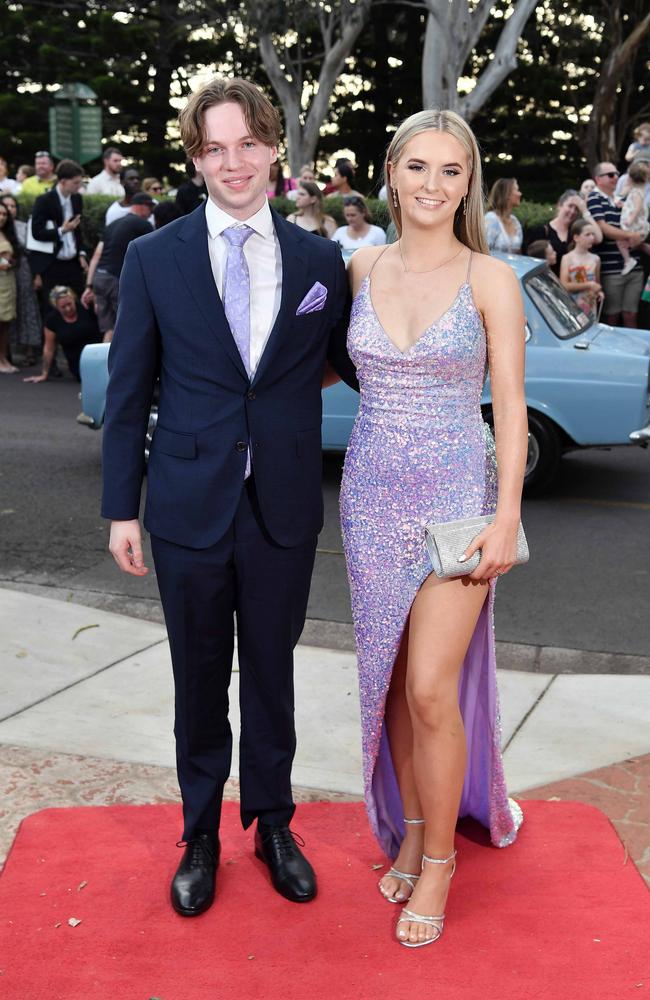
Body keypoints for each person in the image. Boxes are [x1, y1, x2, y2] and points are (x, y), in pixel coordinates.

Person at [101, 76, 357, 919]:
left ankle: (273, 822)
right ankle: (201, 832)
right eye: (215, 147)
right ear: (197, 158)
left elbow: (361, 364)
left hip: (282, 503)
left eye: (247, 142)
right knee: (198, 675)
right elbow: (129, 391)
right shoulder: (153, 255)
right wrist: (121, 509)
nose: (234, 162)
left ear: (274, 146)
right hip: (184, 505)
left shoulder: (321, 261)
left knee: (275, 676)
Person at [338, 109, 526, 948]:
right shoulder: (359, 266)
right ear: (390, 171)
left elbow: (512, 408)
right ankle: (413, 826)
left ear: (468, 183)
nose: (431, 185)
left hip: (458, 497)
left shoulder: (492, 277)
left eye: (451, 171)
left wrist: (507, 513)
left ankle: (442, 860)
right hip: (370, 494)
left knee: (428, 688)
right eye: (417, 166)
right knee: (391, 693)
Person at [82, 193, 155, 340]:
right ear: (141, 207)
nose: (151, 212)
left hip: (99, 278)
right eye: (150, 207)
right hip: (117, 279)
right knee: (126, 327)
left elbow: (97, 255)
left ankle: (105, 361)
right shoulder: (143, 225)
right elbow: (153, 255)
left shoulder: (112, 225)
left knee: (109, 329)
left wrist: (89, 286)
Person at [587, 161, 645, 327]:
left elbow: (636, 222)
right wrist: (632, 235)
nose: (616, 178)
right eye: (611, 175)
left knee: (631, 315)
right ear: (598, 179)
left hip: (635, 268)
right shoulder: (594, 197)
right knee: (611, 317)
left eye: (617, 174)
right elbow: (603, 228)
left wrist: (641, 242)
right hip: (611, 270)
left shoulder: (622, 199)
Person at [28, 158, 87, 299]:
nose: (79, 186)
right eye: (75, 183)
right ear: (62, 181)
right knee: (54, 308)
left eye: (80, 182)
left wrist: (82, 253)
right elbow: (36, 233)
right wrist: (62, 230)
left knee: (80, 303)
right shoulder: (44, 200)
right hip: (53, 264)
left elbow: (78, 230)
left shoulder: (77, 199)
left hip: (73, 263)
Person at [23, 286, 101, 382]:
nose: (68, 309)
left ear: (73, 299)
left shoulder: (86, 308)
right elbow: (49, 348)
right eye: (63, 307)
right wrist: (44, 373)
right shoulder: (52, 320)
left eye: (69, 304)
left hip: (98, 357)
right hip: (78, 366)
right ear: (56, 306)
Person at [0, 194, 42, 364]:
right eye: (5, 207)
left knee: (23, 309)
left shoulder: (21, 227)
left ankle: (28, 350)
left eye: (12, 207)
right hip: (6, 275)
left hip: (21, 272)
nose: (9, 211)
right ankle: (6, 354)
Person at [524, 190, 601, 275]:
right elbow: (530, 261)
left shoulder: (576, 232)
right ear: (560, 205)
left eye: (576, 208)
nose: (572, 211)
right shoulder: (541, 231)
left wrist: (585, 210)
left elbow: (598, 238)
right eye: (570, 206)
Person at [559, 219, 604, 319]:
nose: (592, 237)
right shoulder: (567, 258)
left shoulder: (596, 259)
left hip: (590, 306)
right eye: (587, 235)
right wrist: (589, 285)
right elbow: (564, 285)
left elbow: (597, 283)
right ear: (576, 238)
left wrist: (599, 292)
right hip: (573, 307)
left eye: (593, 234)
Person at [617, 160, 649, 275]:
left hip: (635, 225)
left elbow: (637, 207)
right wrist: (623, 204)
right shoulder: (637, 191)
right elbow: (632, 205)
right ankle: (628, 259)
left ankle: (628, 260)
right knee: (627, 243)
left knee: (620, 240)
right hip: (637, 225)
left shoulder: (637, 192)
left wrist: (630, 219)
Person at [332, 195, 386, 259]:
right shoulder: (339, 232)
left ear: (363, 213)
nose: (350, 219)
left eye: (353, 215)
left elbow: (383, 256)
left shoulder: (377, 232)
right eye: (347, 215)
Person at [0, 198, 19, 372]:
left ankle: (3, 358)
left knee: (5, 323)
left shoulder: (6, 233)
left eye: (4, 214)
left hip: (7, 282)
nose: (2, 217)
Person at [484, 178, 523, 253]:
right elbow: (483, 251)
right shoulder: (491, 219)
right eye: (517, 190)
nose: (520, 194)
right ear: (507, 194)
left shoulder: (515, 221)